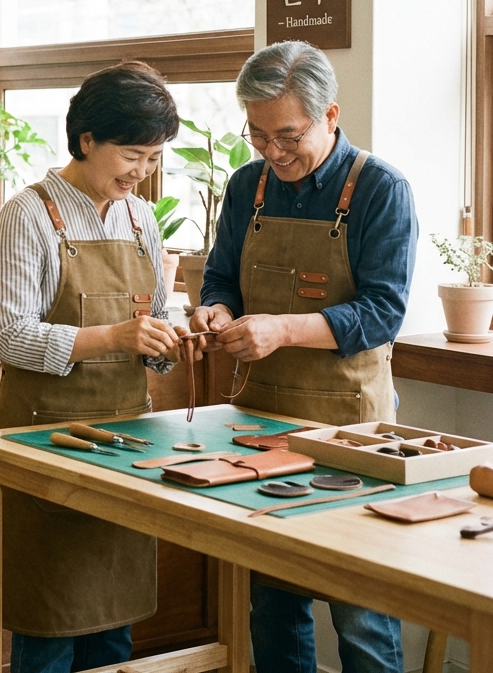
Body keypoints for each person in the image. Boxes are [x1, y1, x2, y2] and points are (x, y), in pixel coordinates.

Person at [193, 40, 417, 673]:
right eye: (257, 135)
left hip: (353, 428)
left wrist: (283, 329)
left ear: (330, 116)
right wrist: (217, 311)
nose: (273, 151)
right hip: (261, 420)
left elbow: (384, 312)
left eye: (287, 135)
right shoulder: (247, 186)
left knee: (360, 607)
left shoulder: (381, 189)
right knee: (273, 598)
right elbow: (220, 278)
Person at [0, 61, 188, 673]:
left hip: (126, 443)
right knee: (48, 629)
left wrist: (168, 339)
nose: (142, 172)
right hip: (47, 440)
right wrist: (115, 336)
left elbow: (154, 318)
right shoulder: (27, 213)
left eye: (153, 158)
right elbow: (12, 339)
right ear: (86, 140)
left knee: (113, 637)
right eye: (132, 155)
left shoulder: (140, 219)